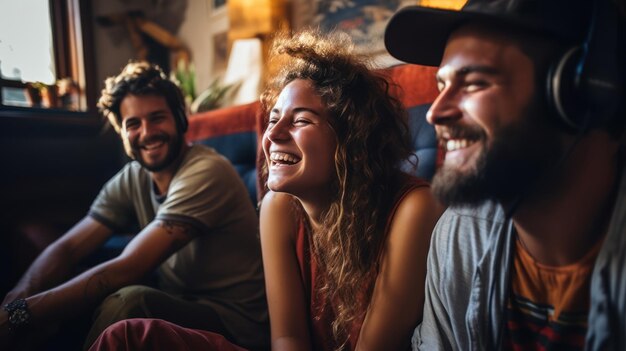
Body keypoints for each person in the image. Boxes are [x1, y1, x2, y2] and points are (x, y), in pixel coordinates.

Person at [88, 30, 444, 351]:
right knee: (126, 336)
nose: (272, 136)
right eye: (273, 119)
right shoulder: (278, 207)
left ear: (352, 137)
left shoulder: (413, 208)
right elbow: (287, 337)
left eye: (301, 119)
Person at [384, 0, 625, 349]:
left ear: (578, 93)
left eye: (475, 83)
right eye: (442, 85)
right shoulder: (458, 233)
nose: (436, 113)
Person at [0, 61, 269, 350]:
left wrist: (19, 316)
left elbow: (128, 267)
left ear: (181, 118)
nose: (147, 132)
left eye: (157, 118)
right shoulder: (133, 177)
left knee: (127, 303)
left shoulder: (207, 171)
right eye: (133, 124)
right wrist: (13, 302)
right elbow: (68, 247)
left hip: (235, 321)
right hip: (179, 301)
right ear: (122, 133)